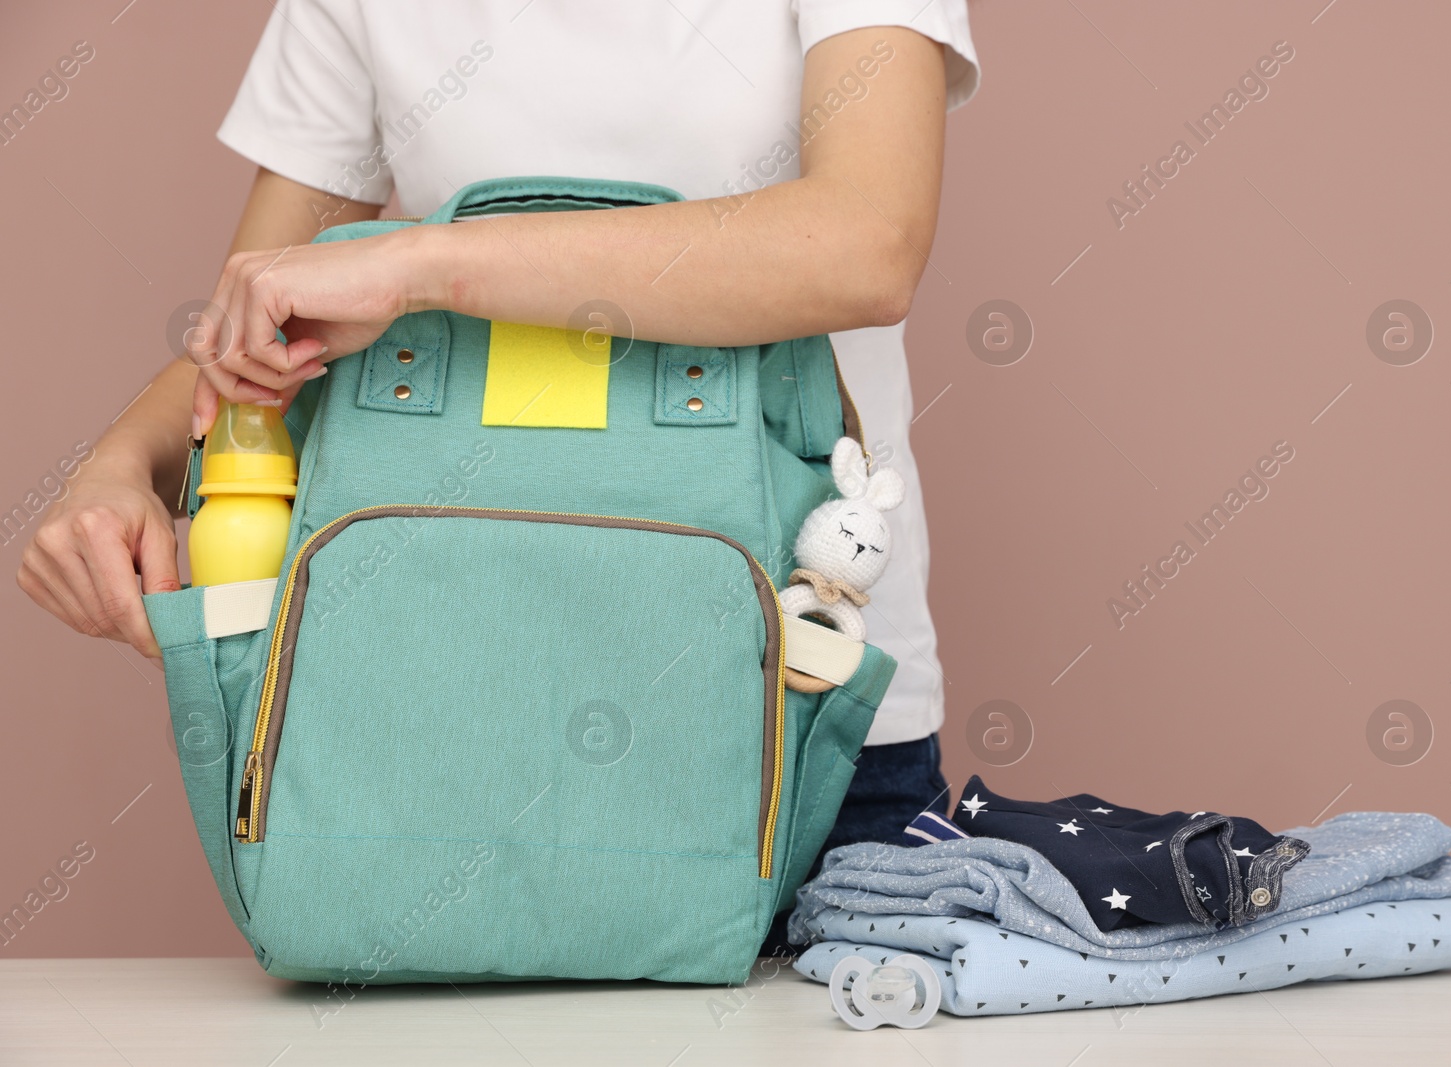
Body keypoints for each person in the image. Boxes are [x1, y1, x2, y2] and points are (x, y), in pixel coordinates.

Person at [16, 0, 980, 938]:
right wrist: (118, 465)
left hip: (802, 711)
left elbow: (867, 243)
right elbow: (265, 315)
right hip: (445, 726)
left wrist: (419, 265)